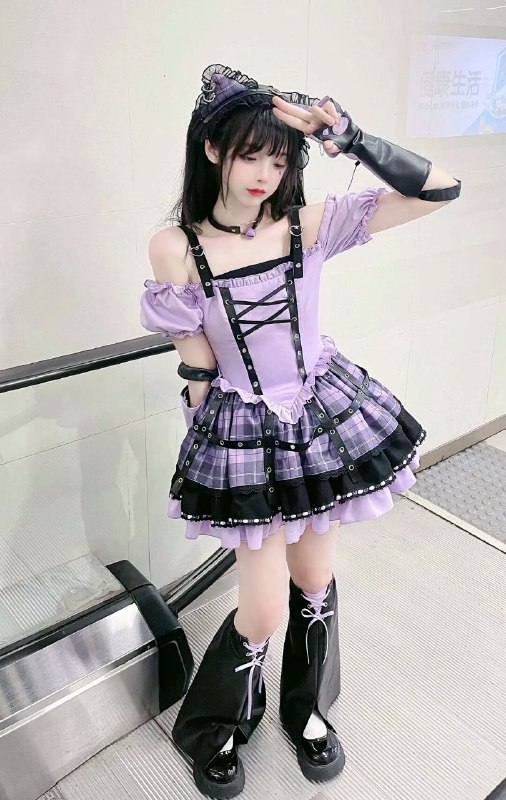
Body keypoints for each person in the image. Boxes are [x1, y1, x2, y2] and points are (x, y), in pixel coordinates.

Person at [140, 63, 461, 798]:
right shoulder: (176, 248)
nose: (266, 174)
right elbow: (196, 360)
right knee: (261, 608)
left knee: (314, 581)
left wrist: (350, 137)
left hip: (318, 420)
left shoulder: (307, 227)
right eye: (251, 155)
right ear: (213, 150)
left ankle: (307, 709)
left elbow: (440, 190)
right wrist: (207, 441)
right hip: (245, 432)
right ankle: (215, 726)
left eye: (280, 160)